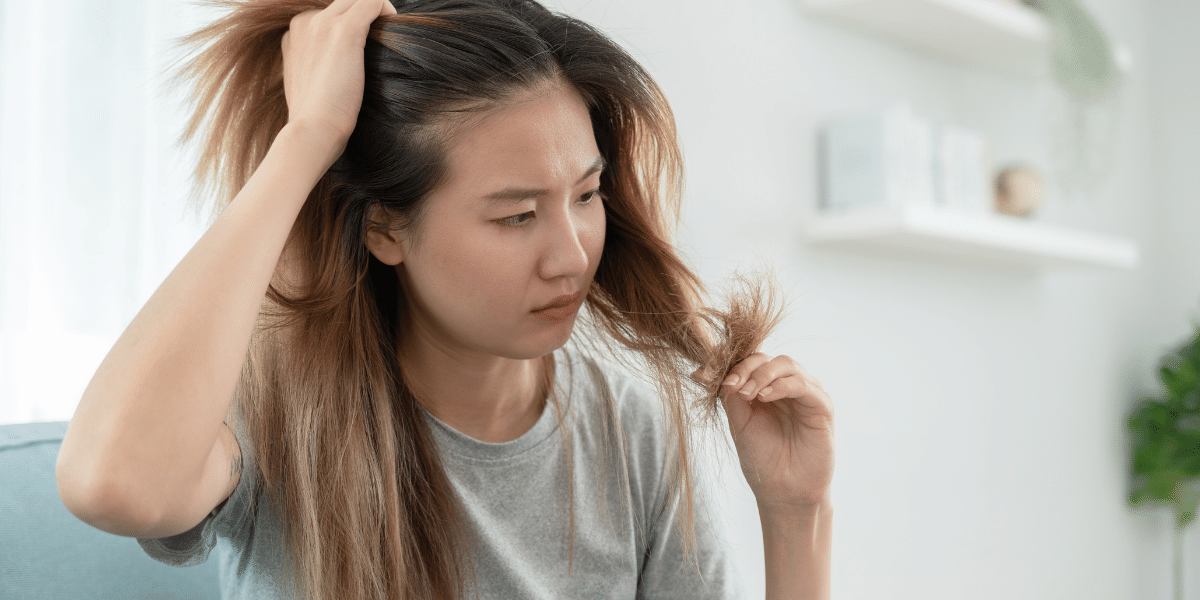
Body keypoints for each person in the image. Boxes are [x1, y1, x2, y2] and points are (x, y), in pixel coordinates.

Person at [54, 0, 834, 598]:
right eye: (517, 215)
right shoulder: (274, 419)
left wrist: (795, 513)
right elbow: (111, 484)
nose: (571, 255)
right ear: (386, 229)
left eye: (588, 194)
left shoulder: (629, 429)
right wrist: (308, 139)